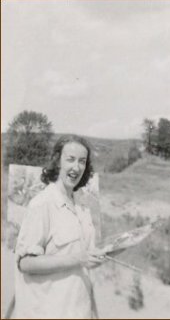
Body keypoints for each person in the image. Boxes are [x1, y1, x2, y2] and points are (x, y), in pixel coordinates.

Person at [14, 135, 106, 319]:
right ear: (57, 162)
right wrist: (78, 258)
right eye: (70, 159)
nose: (76, 167)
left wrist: (112, 249)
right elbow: (25, 263)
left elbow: (85, 257)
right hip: (49, 312)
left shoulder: (82, 207)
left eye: (82, 161)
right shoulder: (42, 204)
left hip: (80, 310)